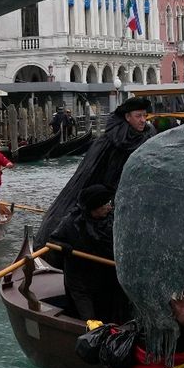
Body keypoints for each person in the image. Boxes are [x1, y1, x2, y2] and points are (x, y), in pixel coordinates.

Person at [39, 95, 155, 255]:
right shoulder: (109, 141)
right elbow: (91, 172)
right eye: (138, 116)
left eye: (144, 116)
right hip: (104, 195)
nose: (143, 120)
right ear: (127, 117)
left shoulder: (147, 138)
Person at [50, 183, 128, 323]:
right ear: (94, 208)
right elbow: (53, 241)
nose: (110, 207)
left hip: (105, 276)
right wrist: (63, 246)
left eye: (109, 203)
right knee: (89, 319)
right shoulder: (72, 222)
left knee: (110, 315)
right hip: (80, 280)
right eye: (105, 204)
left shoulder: (113, 220)